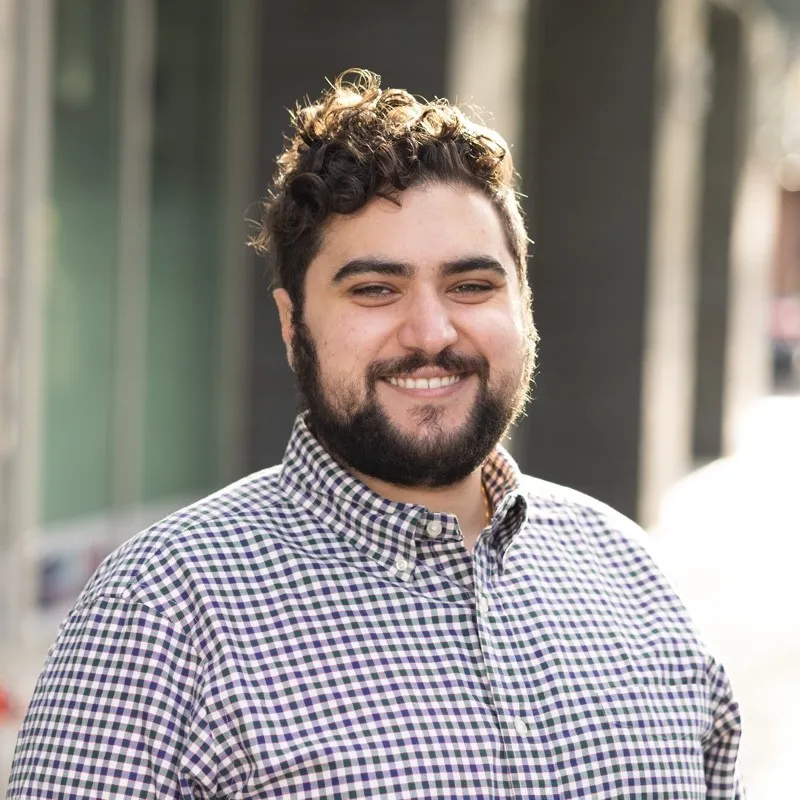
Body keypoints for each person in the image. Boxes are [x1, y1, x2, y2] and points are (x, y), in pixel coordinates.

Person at [8, 70, 744, 799]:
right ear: (293, 325)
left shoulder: (630, 575)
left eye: (472, 286)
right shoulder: (162, 610)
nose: (431, 332)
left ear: (523, 306)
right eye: (374, 290)